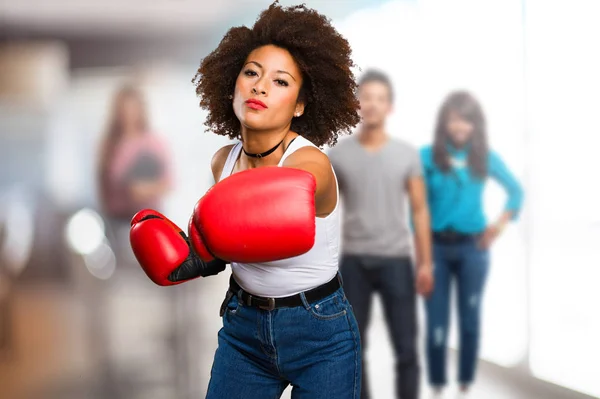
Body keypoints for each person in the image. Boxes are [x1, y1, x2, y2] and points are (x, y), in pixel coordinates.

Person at [129, 3, 363, 398]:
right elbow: (229, 240)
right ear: (233, 84)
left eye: (281, 81)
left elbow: (261, 220)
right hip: (244, 327)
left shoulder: (310, 164)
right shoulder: (223, 161)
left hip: (319, 330)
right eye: (251, 73)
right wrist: (196, 259)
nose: (259, 87)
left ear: (300, 105)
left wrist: (211, 240)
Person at [329, 69, 434, 399]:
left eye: (380, 99)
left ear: (390, 106)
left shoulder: (406, 154)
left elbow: (419, 210)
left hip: (396, 260)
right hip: (354, 261)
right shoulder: (339, 155)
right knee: (354, 350)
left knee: (406, 349)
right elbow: (327, 212)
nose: (372, 105)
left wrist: (426, 264)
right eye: (366, 98)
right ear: (357, 104)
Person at [421, 91, 524, 398]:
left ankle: (465, 383)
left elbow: (516, 191)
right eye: (455, 119)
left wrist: (497, 227)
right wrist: (423, 256)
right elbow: (418, 208)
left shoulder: (486, 157)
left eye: (467, 120)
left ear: (475, 124)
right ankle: (437, 384)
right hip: (437, 247)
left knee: (469, 319)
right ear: (445, 121)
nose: (460, 127)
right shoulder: (427, 156)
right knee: (437, 323)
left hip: (472, 250)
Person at [97, 85, 172, 258]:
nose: (128, 114)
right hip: (116, 222)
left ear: (141, 110)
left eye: (132, 108)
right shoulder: (109, 145)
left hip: (149, 222)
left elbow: (168, 182)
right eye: (124, 109)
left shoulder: (153, 143)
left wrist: (145, 189)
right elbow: (104, 185)